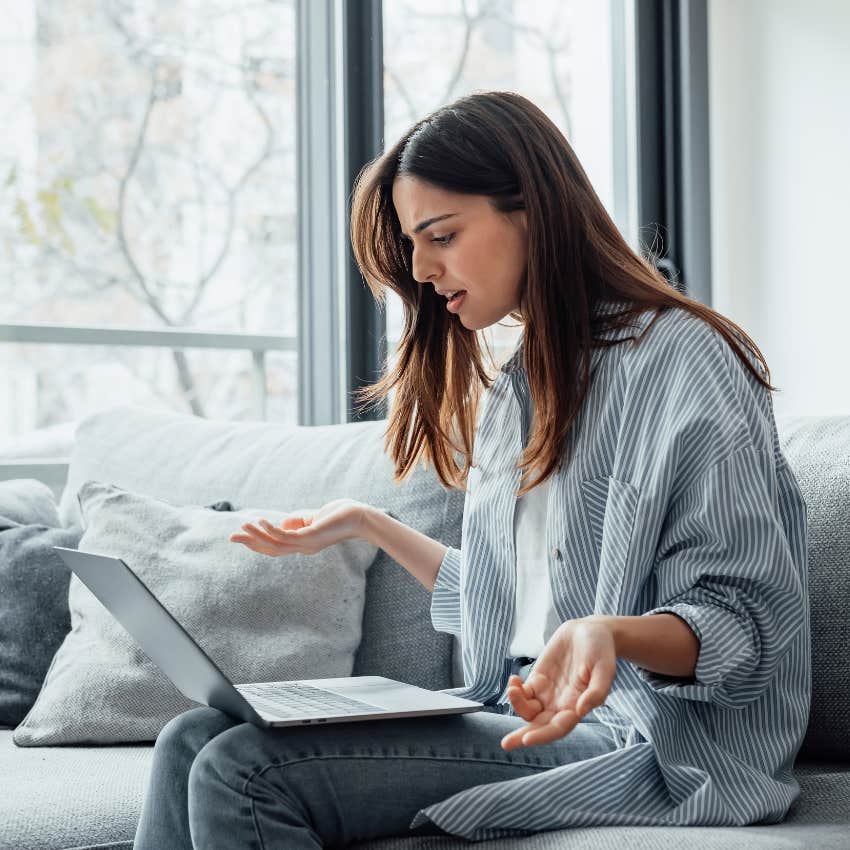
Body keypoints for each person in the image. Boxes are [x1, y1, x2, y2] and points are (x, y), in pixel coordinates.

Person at [133, 90, 810, 848]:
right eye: (415, 245)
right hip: (509, 707)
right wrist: (370, 525)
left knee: (245, 769)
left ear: (532, 211)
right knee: (190, 738)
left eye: (443, 235)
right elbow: (513, 601)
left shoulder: (685, 362)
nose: (423, 269)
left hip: (651, 743)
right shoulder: (521, 388)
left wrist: (611, 634)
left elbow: (748, 629)